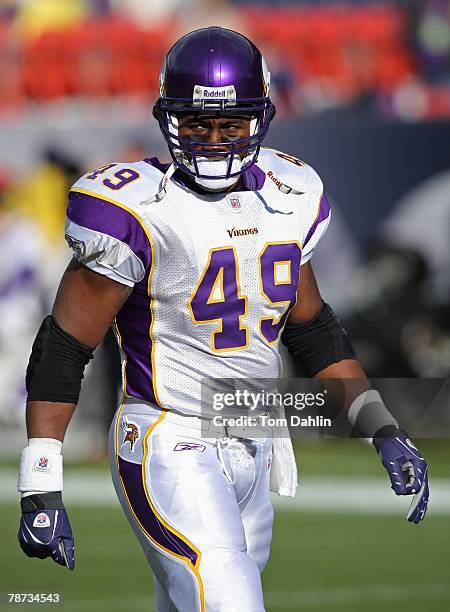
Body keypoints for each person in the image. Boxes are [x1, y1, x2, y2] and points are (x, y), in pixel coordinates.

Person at [17, 27, 429, 612]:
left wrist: (382, 426)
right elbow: (64, 344)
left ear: (259, 120)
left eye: (230, 125)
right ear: (169, 120)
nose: (213, 141)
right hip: (167, 439)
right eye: (197, 124)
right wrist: (40, 481)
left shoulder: (290, 195)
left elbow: (312, 330)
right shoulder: (136, 207)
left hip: (253, 440)